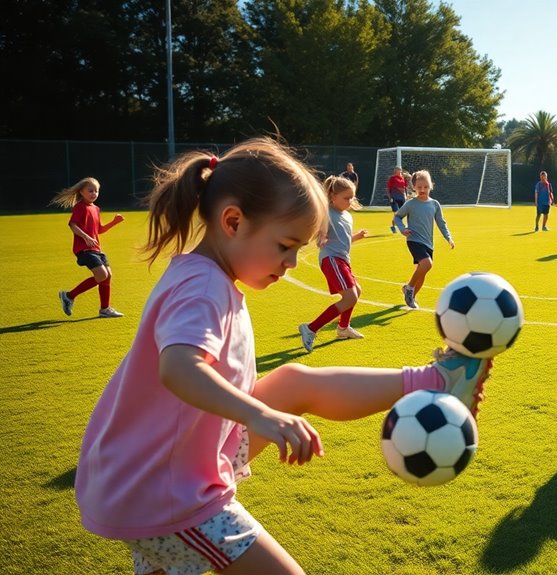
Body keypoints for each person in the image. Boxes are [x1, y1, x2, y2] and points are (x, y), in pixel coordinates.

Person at [74, 139, 492, 575]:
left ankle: (437, 381)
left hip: (152, 467)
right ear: (233, 221)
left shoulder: (204, 275)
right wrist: (259, 415)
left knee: (291, 383)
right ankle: (438, 382)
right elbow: (179, 367)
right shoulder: (203, 288)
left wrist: (258, 411)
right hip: (164, 488)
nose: (292, 262)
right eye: (285, 246)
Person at [299, 176, 369, 352]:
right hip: (331, 259)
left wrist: (356, 237)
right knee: (350, 297)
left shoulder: (346, 215)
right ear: (332, 197)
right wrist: (321, 237)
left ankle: (343, 329)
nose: (350, 201)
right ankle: (310, 328)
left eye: (352, 197)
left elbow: (342, 240)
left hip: (342, 259)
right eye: (346, 198)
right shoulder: (327, 214)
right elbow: (320, 233)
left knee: (356, 291)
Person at [51, 177, 126, 318]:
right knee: (102, 275)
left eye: (96, 191)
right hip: (84, 249)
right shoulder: (80, 207)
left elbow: (100, 230)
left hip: (96, 249)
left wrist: (114, 222)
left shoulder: (96, 209)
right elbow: (73, 225)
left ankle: (105, 309)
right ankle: (69, 295)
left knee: (108, 276)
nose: (94, 193)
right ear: (81, 192)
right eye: (90, 190)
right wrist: (86, 237)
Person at [394, 170, 454, 309]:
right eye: (419, 187)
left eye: (426, 187)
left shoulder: (434, 204)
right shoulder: (410, 204)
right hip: (413, 240)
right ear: (413, 187)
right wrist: (403, 229)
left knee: (422, 274)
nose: (422, 190)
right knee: (427, 264)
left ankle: (411, 296)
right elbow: (397, 217)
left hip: (428, 243)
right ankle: (409, 288)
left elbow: (441, 222)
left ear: (431, 186)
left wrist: (448, 237)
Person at [386, 166, 408, 233]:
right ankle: (393, 226)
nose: (400, 171)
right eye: (398, 170)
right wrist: (390, 197)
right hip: (394, 198)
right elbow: (388, 188)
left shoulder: (403, 178)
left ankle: (403, 225)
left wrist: (406, 195)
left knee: (403, 213)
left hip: (402, 198)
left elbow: (405, 188)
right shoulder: (392, 178)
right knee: (396, 213)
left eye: (400, 170)